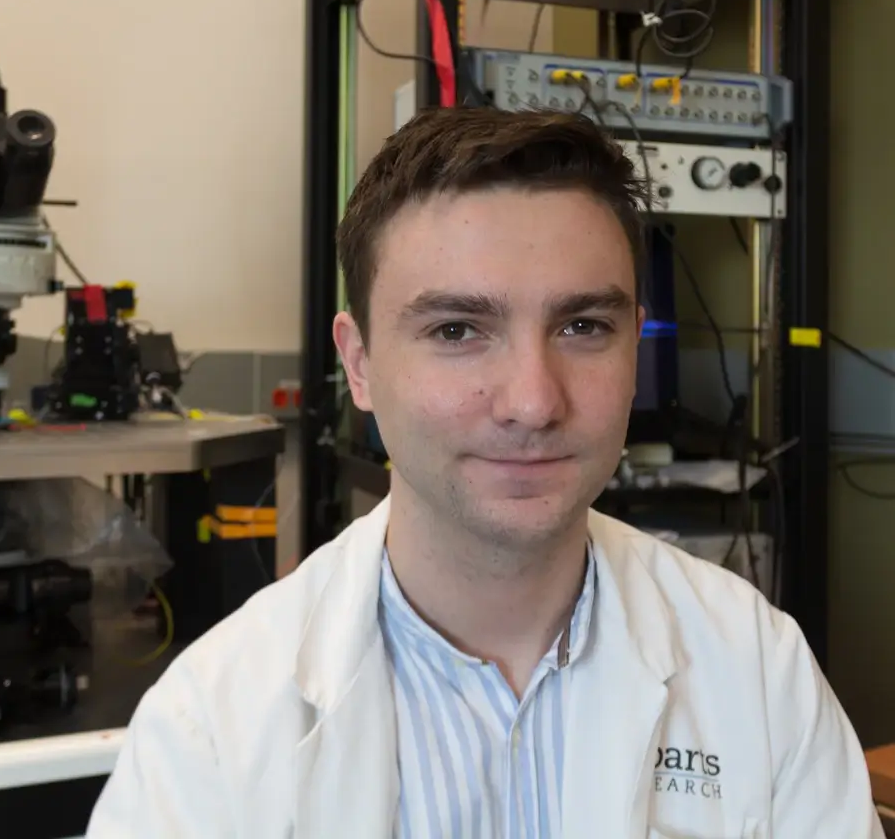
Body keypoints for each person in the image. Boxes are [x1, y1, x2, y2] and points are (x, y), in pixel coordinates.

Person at [87, 107, 882, 838]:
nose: (534, 401)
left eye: (582, 325)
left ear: (635, 345)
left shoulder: (757, 667)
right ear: (359, 364)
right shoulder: (210, 727)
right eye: (459, 328)